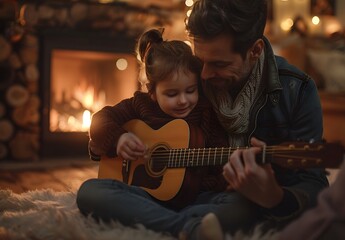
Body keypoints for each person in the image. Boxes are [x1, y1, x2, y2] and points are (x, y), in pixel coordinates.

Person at [185, 0, 329, 238]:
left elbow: (314, 185)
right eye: (200, 60)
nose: (204, 75)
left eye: (219, 64)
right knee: (100, 193)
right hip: (189, 195)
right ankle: (189, 225)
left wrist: (275, 197)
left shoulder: (298, 89)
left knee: (239, 211)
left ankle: (181, 223)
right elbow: (133, 110)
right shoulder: (190, 74)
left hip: (241, 205)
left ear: (255, 51)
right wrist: (118, 135)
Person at [76, 28, 238, 238]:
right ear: (152, 92)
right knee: (89, 192)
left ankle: (168, 221)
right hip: (144, 196)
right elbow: (99, 120)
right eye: (172, 94)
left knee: (239, 203)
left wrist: (225, 180)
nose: (183, 100)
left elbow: (219, 164)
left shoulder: (206, 113)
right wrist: (119, 138)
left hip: (195, 198)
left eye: (190, 90)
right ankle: (187, 226)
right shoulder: (140, 105)